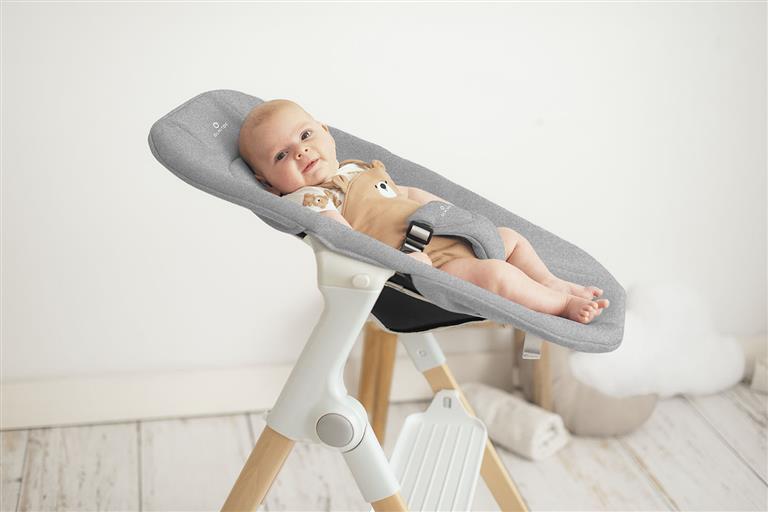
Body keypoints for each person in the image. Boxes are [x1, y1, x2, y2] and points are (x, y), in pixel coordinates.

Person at [238, 99, 609, 323]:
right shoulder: (314, 199)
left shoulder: (358, 168)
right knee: (497, 275)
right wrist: (403, 264)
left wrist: (449, 213)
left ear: (326, 132)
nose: (300, 152)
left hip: (453, 232)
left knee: (510, 239)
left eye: (305, 136)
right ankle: (560, 304)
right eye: (281, 155)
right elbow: (342, 238)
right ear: (267, 182)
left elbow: (407, 193)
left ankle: (549, 281)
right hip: (431, 263)